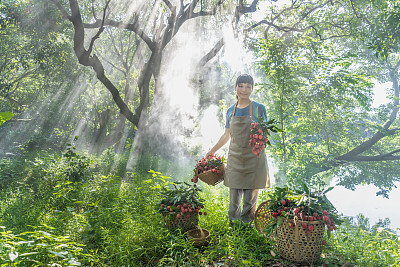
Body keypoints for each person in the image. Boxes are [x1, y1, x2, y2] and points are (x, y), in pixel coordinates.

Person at [206, 74, 270, 228]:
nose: (244, 90)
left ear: (252, 89)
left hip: (254, 157)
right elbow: (227, 135)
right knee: (234, 197)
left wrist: (259, 134)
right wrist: (212, 151)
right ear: (235, 88)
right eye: (241, 86)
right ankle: (233, 226)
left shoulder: (259, 108)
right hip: (235, 156)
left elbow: (266, 134)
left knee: (249, 198)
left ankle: (246, 228)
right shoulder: (230, 111)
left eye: (248, 86)